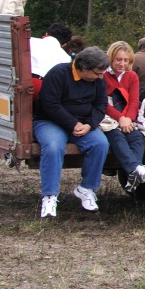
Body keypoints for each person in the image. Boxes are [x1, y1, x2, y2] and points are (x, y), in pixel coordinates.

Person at [33, 46, 111, 218]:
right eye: (97, 73)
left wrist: (90, 125)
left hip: (84, 124)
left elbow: (101, 105)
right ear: (83, 68)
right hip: (50, 121)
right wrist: (72, 123)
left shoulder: (98, 79)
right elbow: (49, 103)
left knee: (100, 144)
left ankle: (86, 189)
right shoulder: (58, 73)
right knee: (53, 147)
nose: (101, 77)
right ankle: (50, 196)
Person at [102, 41, 145, 194]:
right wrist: (120, 118)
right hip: (109, 116)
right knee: (117, 136)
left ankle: (132, 174)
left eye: (126, 60)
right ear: (111, 59)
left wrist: (128, 118)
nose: (122, 64)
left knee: (137, 137)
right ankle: (137, 169)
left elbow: (134, 101)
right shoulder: (103, 76)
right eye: (118, 60)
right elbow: (102, 103)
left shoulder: (131, 76)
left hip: (127, 115)